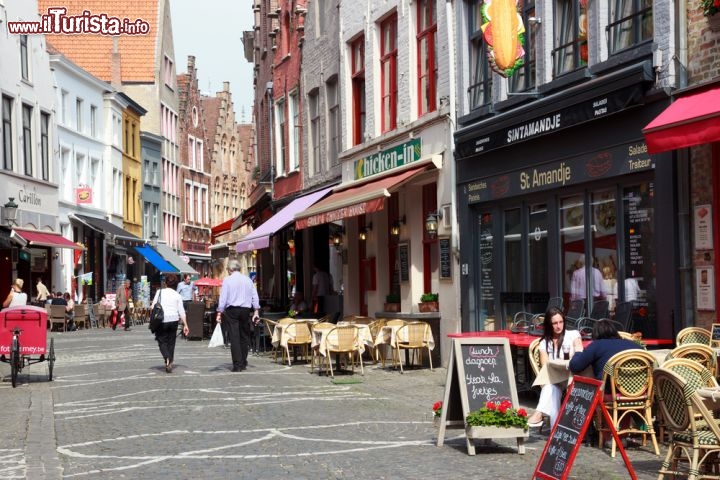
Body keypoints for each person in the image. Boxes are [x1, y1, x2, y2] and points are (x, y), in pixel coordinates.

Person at [527, 307, 584, 428]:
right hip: (555, 379)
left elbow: (580, 352)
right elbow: (546, 367)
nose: (559, 326)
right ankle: (555, 431)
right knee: (551, 388)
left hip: (572, 376)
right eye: (555, 323)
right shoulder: (544, 343)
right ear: (549, 324)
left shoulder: (573, 335)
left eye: (561, 322)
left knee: (550, 388)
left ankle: (539, 414)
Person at [216, 259, 260, 372]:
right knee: (244, 336)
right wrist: (256, 311)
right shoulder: (248, 280)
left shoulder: (227, 280)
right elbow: (255, 296)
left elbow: (223, 298)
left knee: (234, 336)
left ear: (230, 269)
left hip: (232, 310)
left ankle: (237, 364)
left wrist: (219, 311)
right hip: (245, 310)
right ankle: (243, 362)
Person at [569, 319, 642, 381]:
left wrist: (578, 350)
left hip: (609, 391)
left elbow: (575, 367)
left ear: (595, 334)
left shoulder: (597, 345)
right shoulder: (635, 346)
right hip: (638, 390)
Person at [150, 274, 189, 373]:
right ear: (176, 284)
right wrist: (185, 325)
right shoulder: (177, 295)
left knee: (161, 340)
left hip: (162, 320)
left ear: (165, 283)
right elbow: (181, 311)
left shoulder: (159, 292)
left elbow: (153, 306)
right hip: (174, 320)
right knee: (171, 342)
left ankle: (167, 357)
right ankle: (170, 361)